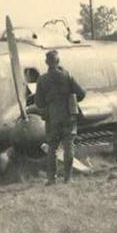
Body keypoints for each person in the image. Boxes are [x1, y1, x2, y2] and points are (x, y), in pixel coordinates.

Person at [34, 50, 85, 185]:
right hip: (68, 117)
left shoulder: (42, 80)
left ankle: (52, 179)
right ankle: (68, 178)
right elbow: (81, 94)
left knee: (52, 149)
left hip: (52, 118)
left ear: (46, 62)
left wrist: (49, 102)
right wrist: (70, 98)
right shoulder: (67, 76)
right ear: (58, 61)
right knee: (69, 147)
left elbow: (38, 103)